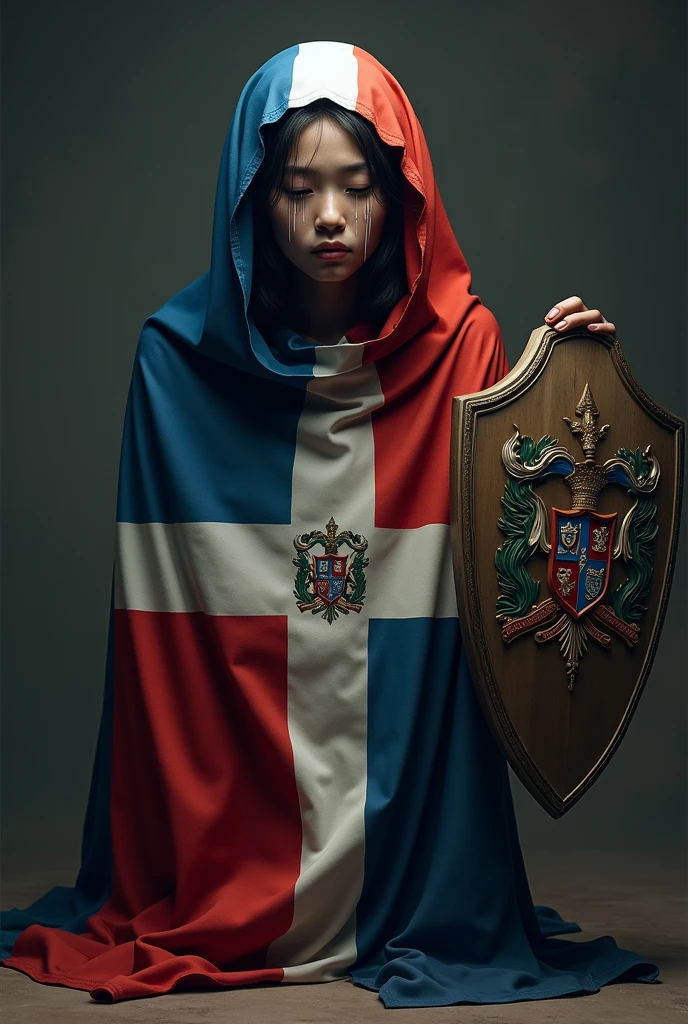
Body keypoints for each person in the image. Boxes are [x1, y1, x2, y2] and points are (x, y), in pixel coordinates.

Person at [1, 41, 657, 1007]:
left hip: (409, 808)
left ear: (401, 197)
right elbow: (161, 665)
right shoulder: (175, 364)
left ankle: (377, 890)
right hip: (233, 807)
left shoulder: (464, 348)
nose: (330, 217)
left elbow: (514, 530)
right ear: (251, 201)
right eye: (297, 189)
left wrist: (560, 378)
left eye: (357, 185)